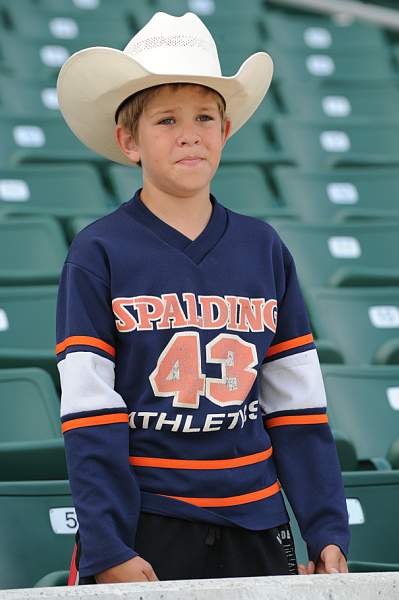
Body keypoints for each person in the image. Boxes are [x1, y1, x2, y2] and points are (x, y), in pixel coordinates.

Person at [55, 11, 350, 586]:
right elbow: (90, 416)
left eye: (205, 117)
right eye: (166, 119)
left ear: (226, 130)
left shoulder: (264, 248)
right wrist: (108, 546)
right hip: (150, 520)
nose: (189, 132)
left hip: (259, 519)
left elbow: (297, 408)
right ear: (128, 141)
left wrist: (325, 528)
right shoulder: (98, 252)